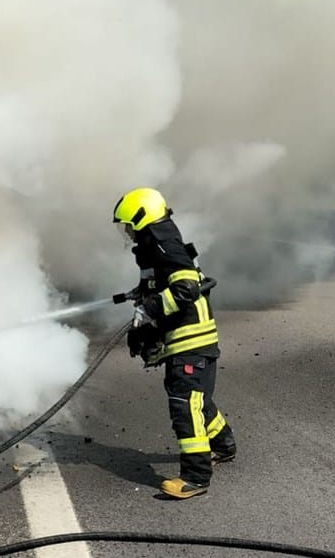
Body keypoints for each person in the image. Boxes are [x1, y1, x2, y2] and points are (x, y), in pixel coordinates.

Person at [112, 187, 237, 499]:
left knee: (185, 404)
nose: (127, 232)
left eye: (129, 225)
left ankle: (195, 476)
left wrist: (149, 308)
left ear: (142, 219)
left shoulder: (165, 245)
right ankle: (223, 445)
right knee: (196, 399)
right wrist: (143, 304)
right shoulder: (153, 246)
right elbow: (158, 285)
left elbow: (185, 289)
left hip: (190, 339)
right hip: (189, 339)